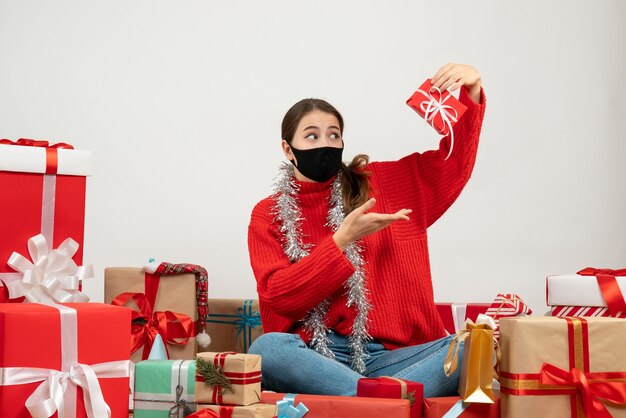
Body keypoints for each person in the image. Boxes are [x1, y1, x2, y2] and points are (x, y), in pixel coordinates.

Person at [247, 63, 486, 397]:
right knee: (267, 350)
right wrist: (342, 240)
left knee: (472, 348)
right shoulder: (268, 214)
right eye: (312, 135)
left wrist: (471, 91)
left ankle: (368, 401)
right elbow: (280, 298)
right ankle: (384, 402)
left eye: (333, 134)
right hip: (316, 357)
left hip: (392, 356)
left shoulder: (381, 183)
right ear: (288, 149)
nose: (325, 143)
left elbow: (452, 164)